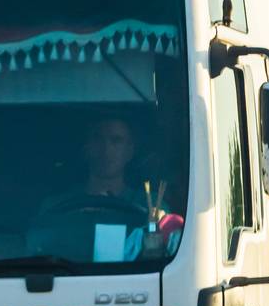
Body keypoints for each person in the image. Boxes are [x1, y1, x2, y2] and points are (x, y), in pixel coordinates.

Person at [28, 111, 182, 260]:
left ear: (130, 151)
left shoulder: (151, 206)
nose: (106, 150)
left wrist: (158, 228)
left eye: (116, 141)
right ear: (86, 147)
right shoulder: (55, 206)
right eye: (97, 139)